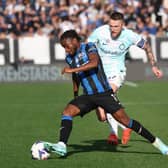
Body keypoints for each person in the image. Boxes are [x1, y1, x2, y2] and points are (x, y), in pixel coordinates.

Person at [43, 29, 168, 157]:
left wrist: (72, 70)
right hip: (88, 96)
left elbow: (94, 63)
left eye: (67, 46)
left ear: (75, 41)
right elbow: (75, 76)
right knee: (67, 112)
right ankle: (62, 145)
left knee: (126, 121)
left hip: (104, 94)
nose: (66, 50)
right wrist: (75, 94)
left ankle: (158, 143)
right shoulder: (70, 58)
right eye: (63, 47)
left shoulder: (89, 47)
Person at [87, 11, 163, 145]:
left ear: (122, 25)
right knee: (101, 116)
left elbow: (147, 47)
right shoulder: (100, 32)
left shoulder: (130, 36)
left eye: (116, 26)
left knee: (106, 97)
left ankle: (114, 134)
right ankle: (124, 127)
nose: (113, 29)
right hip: (99, 73)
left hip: (117, 72)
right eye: (111, 26)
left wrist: (154, 66)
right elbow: (86, 47)